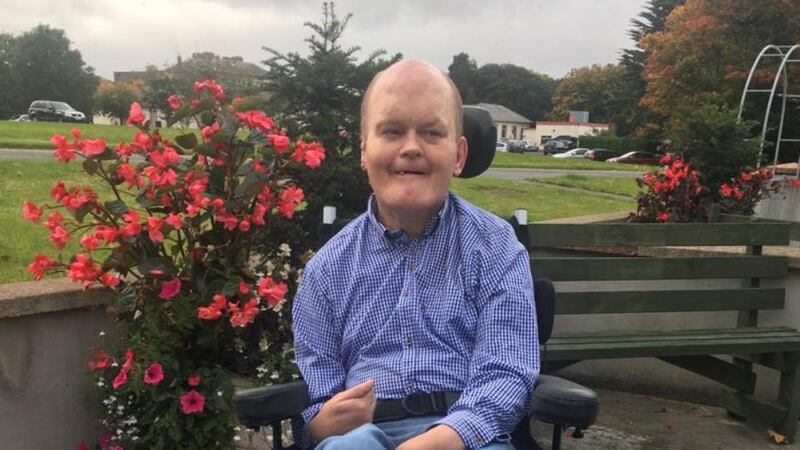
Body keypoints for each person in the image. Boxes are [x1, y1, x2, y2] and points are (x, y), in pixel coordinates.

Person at [292, 59, 539, 450]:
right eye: (391, 131)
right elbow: (315, 398)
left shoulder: (496, 247)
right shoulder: (326, 269)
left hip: (466, 434)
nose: (410, 148)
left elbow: (506, 372)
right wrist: (320, 424)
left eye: (430, 132)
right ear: (364, 151)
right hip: (358, 436)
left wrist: (445, 439)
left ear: (458, 155)